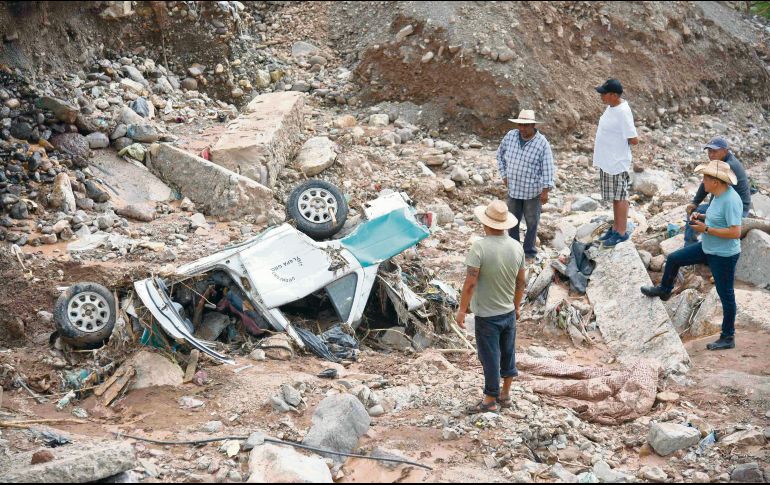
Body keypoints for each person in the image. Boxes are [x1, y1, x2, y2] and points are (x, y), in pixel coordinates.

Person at [641, 160, 742, 351]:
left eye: (705, 178)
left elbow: (735, 232)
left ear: (716, 181)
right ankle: (664, 289)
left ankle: (728, 336)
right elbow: (716, 218)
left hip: (723, 255)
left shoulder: (731, 200)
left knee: (726, 295)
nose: (703, 181)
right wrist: (701, 217)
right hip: (708, 247)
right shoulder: (717, 195)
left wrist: (706, 228)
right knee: (674, 259)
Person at [456, 200, 527, 413]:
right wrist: (516, 306)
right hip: (507, 312)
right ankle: (505, 394)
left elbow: (470, 283)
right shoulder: (516, 247)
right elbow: (521, 282)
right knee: (508, 353)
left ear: (485, 224)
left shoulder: (479, 247)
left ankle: (489, 399)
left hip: (487, 315)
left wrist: (461, 310)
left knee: (490, 357)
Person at [496, 109, 555, 263]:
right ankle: (514, 251)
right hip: (513, 189)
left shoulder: (542, 143)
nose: (522, 129)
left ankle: (529, 252)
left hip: (532, 192)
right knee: (512, 221)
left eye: (526, 126)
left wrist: (545, 191)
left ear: (533, 125)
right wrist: (504, 175)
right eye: (520, 125)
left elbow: (548, 167)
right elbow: (499, 154)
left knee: (532, 222)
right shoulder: (511, 136)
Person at [592, 79, 639, 247]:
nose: (601, 96)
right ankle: (616, 228)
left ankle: (621, 232)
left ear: (613, 95)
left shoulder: (623, 112)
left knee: (620, 197)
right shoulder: (611, 107)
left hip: (617, 161)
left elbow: (633, 139)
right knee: (614, 197)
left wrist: (616, 144)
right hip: (607, 161)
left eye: (604, 93)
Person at [684, 136, 751, 247]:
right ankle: (691, 246)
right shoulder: (720, 163)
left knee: (696, 214)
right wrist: (695, 202)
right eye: (709, 151)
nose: (711, 155)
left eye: (714, 151)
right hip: (727, 206)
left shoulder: (728, 166)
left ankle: (690, 247)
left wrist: (701, 209)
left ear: (725, 151)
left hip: (738, 210)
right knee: (695, 211)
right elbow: (706, 183)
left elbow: (713, 191)